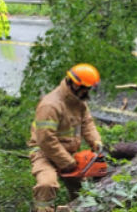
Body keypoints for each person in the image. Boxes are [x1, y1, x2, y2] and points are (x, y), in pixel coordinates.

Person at [27, 64, 103, 212]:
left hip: (70, 154)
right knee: (46, 184)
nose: (87, 92)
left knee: (82, 189)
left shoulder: (78, 101)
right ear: (75, 84)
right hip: (45, 154)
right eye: (85, 88)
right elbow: (46, 140)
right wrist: (68, 162)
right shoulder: (51, 105)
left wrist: (95, 141)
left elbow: (87, 123)